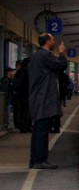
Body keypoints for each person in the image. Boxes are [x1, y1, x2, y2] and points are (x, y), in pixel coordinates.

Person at [28, 33, 67, 169]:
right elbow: (61, 65)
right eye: (52, 40)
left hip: (38, 97)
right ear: (47, 41)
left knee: (38, 129)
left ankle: (34, 160)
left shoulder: (36, 55)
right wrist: (62, 53)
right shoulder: (44, 55)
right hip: (43, 98)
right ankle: (40, 160)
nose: (54, 42)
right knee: (42, 131)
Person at [11, 59, 31, 133]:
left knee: (21, 111)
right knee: (27, 111)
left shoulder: (19, 73)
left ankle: (22, 126)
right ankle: (26, 126)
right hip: (27, 94)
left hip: (20, 95)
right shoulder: (28, 72)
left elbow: (16, 84)